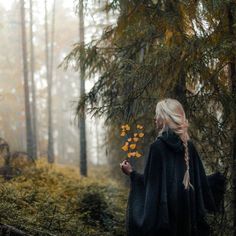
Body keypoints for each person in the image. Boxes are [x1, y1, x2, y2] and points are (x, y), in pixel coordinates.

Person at [120, 98, 226, 236]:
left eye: (157, 114)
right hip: (187, 224)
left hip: (166, 226)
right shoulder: (189, 146)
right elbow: (200, 185)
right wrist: (216, 180)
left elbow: (150, 189)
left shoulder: (157, 148)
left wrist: (131, 173)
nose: (154, 118)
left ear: (164, 118)